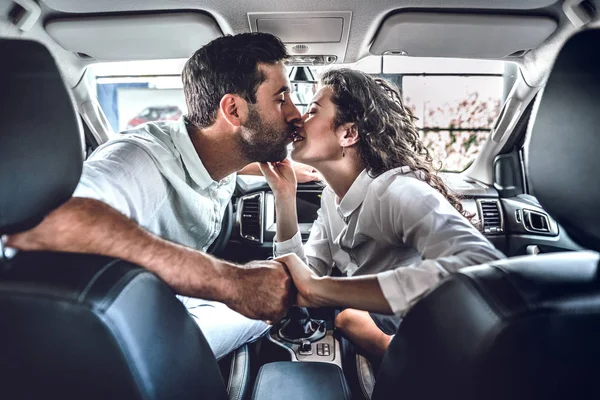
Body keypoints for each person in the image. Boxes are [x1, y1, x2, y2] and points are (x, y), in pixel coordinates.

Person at [5, 32, 319, 360]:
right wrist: (233, 282)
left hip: (173, 301)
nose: (296, 114)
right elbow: (43, 223)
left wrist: (284, 193)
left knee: (280, 291)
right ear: (234, 110)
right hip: (115, 331)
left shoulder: (221, 156)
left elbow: (211, 168)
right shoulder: (136, 163)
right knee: (271, 304)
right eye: (281, 98)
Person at [260, 68, 506, 362]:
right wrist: (284, 195)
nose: (299, 118)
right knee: (347, 318)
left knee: (348, 318)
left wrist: (324, 290)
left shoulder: (398, 191)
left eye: (313, 110)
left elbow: (482, 264)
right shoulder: (330, 197)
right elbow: (305, 274)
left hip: (443, 344)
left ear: (349, 133)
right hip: (393, 328)